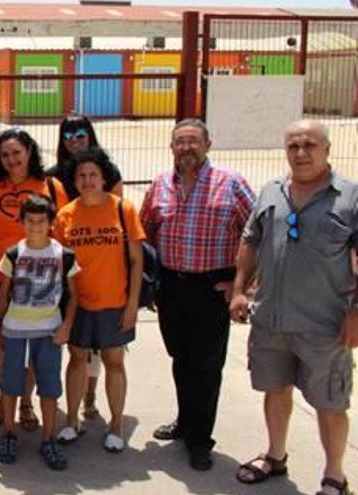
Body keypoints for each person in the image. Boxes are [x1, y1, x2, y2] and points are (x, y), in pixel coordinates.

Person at [230, 120, 356, 495]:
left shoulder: (349, 198)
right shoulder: (271, 192)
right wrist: (239, 290)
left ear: (327, 149)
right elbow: (251, 240)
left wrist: (356, 313)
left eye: (310, 145)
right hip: (271, 319)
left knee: (330, 403)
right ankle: (275, 455)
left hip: (326, 324)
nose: (301, 153)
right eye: (293, 146)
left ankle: (335, 476)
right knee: (275, 389)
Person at [140, 118, 256, 470]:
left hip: (212, 287)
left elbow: (259, 233)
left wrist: (243, 285)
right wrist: (151, 282)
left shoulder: (231, 184)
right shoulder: (160, 184)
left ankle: (200, 439)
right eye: (180, 142)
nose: (187, 148)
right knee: (181, 357)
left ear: (208, 144)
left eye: (194, 141)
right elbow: (145, 231)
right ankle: (185, 420)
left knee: (206, 365)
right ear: (171, 147)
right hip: (172, 286)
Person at [0, 128, 69, 430]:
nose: (12, 159)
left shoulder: (51, 187)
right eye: (5, 155)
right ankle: (5, 399)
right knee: (2, 341)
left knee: (33, 342)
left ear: (29, 151)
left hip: (38, 282)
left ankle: (26, 403)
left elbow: (62, 235)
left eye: (17, 152)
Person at [52, 148, 145, 453]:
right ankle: (72, 421)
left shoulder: (123, 209)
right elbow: (60, 265)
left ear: (104, 177)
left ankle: (116, 424)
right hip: (78, 303)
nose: (88, 180)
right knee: (77, 359)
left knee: (114, 362)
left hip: (114, 301)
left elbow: (136, 260)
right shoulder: (65, 215)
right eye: (81, 175)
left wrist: (132, 305)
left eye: (93, 174)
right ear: (74, 181)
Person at [0, 195, 78, 470]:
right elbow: (3, 293)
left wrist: (67, 326)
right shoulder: (13, 253)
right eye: (30, 221)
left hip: (50, 330)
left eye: (41, 221)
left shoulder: (63, 255)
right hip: (15, 328)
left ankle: (48, 438)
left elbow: (74, 296)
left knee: (49, 387)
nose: (36, 226)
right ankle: (8, 433)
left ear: (51, 223)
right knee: (10, 383)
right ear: (22, 222)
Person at [47, 113, 125, 417]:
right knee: (78, 348)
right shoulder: (54, 175)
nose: (74, 138)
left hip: (105, 274)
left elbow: (116, 220)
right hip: (72, 274)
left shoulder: (108, 170)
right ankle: (76, 406)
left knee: (105, 350)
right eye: (68, 134)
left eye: (80, 132)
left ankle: (92, 395)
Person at [47, 113, 124, 199]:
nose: (74, 140)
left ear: (90, 136)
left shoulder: (110, 172)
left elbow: (117, 206)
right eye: (68, 136)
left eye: (80, 135)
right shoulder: (52, 177)